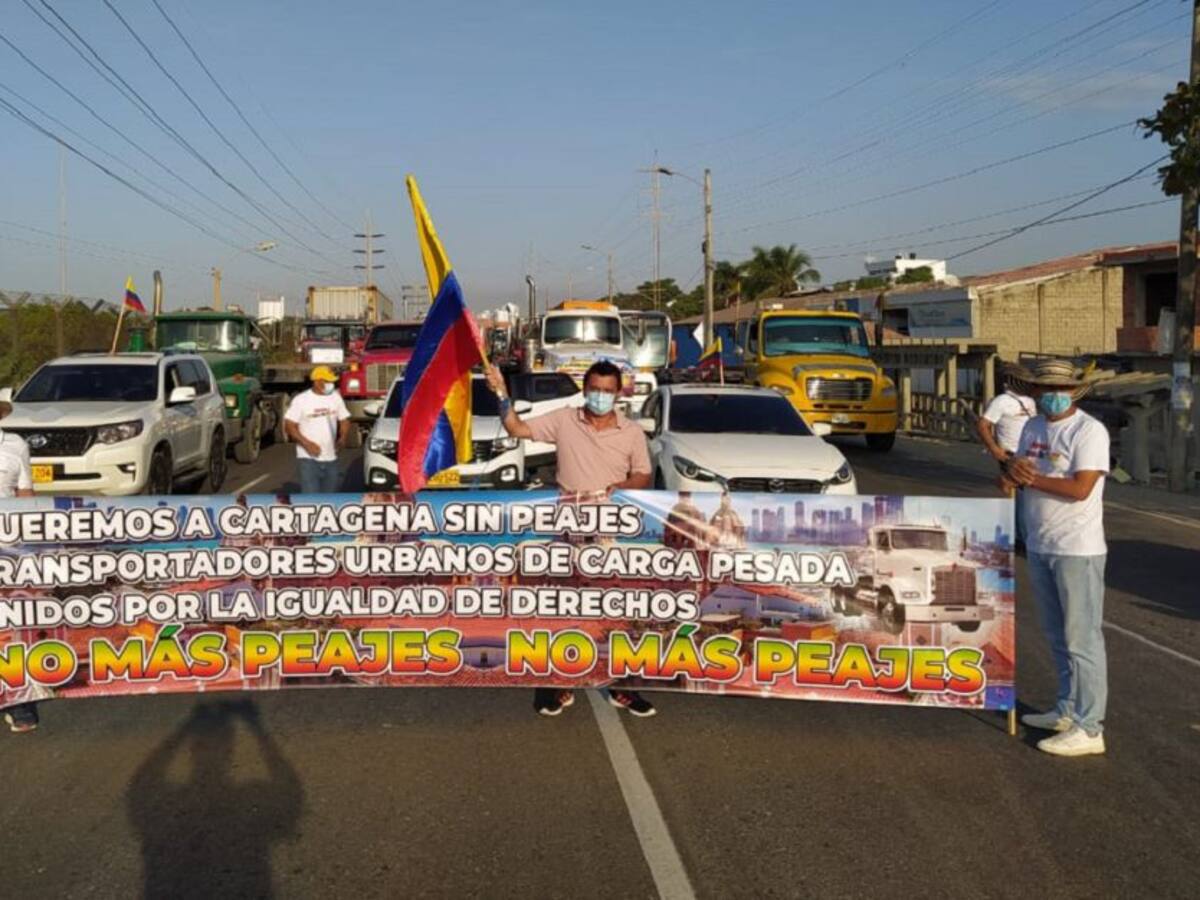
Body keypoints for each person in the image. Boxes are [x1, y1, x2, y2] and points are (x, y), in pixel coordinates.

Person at [488, 359, 656, 718]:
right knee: (564, 607)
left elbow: (643, 474)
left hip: (609, 530)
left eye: (608, 391)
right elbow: (517, 428)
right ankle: (557, 684)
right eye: (595, 389)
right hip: (567, 526)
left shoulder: (631, 432)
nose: (600, 396)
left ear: (619, 394)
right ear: (585, 390)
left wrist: (623, 487)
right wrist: (501, 393)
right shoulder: (565, 420)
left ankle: (622, 687)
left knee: (613, 608)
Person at [1000, 358, 1108, 757]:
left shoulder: (1088, 431)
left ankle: (1090, 726)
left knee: (1082, 640)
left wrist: (1031, 478)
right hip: (1040, 543)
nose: (1051, 396)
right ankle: (1066, 708)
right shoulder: (1032, 427)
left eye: (1057, 389)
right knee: (1056, 635)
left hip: (1077, 547)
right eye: (1043, 389)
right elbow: (1014, 477)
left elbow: (1081, 488)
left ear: (1073, 391)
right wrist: (1011, 472)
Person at [0, 396, 39, 733]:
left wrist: (32, 548)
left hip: (7, 549)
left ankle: (20, 704)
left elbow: (27, 496)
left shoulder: (15, 446)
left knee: (11, 626)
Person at [284, 366, 351, 494]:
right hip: (309, 459)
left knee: (330, 499)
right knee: (311, 499)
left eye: (331, 381)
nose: (331, 384)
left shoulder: (335, 397)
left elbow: (344, 419)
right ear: (316, 382)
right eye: (327, 381)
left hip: (331, 458)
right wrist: (307, 444)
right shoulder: (301, 400)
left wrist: (343, 438)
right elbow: (289, 426)